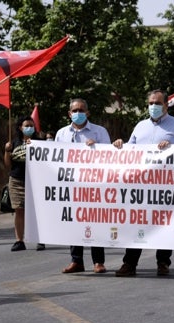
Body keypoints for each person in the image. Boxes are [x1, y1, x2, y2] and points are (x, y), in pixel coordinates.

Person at [112, 89, 174, 277]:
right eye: (150, 103)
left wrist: (172, 149)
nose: (153, 107)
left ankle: (163, 262)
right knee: (136, 224)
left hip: (166, 185)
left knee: (164, 223)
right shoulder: (140, 126)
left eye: (157, 103)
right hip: (140, 186)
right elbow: (130, 150)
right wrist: (119, 145)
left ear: (166, 105)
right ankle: (129, 264)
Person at [55, 98, 111, 274]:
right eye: (75, 110)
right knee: (74, 221)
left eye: (81, 110)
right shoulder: (62, 134)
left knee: (95, 220)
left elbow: (110, 156)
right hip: (71, 184)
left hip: (94, 184)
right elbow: (53, 157)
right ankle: (76, 260)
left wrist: (97, 148)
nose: (78, 113)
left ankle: (98, 261)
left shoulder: (99, 132)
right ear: (69, 113)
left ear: (87, 112)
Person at [3, 116, 46, 252]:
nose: (29, 128)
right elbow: (8, 164)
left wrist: (34, 147)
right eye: (26, 125)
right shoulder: (13, 143)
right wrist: (6, 151)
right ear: (20, 128)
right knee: (19, 210)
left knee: (37, 211)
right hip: (17, 180)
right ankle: (19, 240)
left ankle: (40, 239)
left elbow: (45, 162)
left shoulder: (40, 142)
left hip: (35, 181)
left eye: (31, 125)